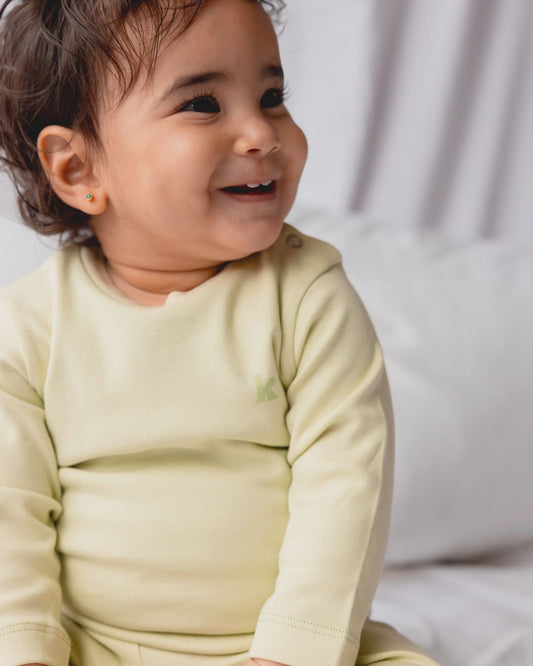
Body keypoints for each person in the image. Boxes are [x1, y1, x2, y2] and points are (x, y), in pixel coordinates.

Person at [0, 1, 442, 665]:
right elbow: (10, 512)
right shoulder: (31, 328)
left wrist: (293, 649)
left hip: (286, 643)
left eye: (270, 97)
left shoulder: (307, 296)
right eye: (202, 104)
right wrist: (29, 651)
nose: (260, 133)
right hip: (96, 646)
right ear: (77, 170)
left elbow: (348, 484)